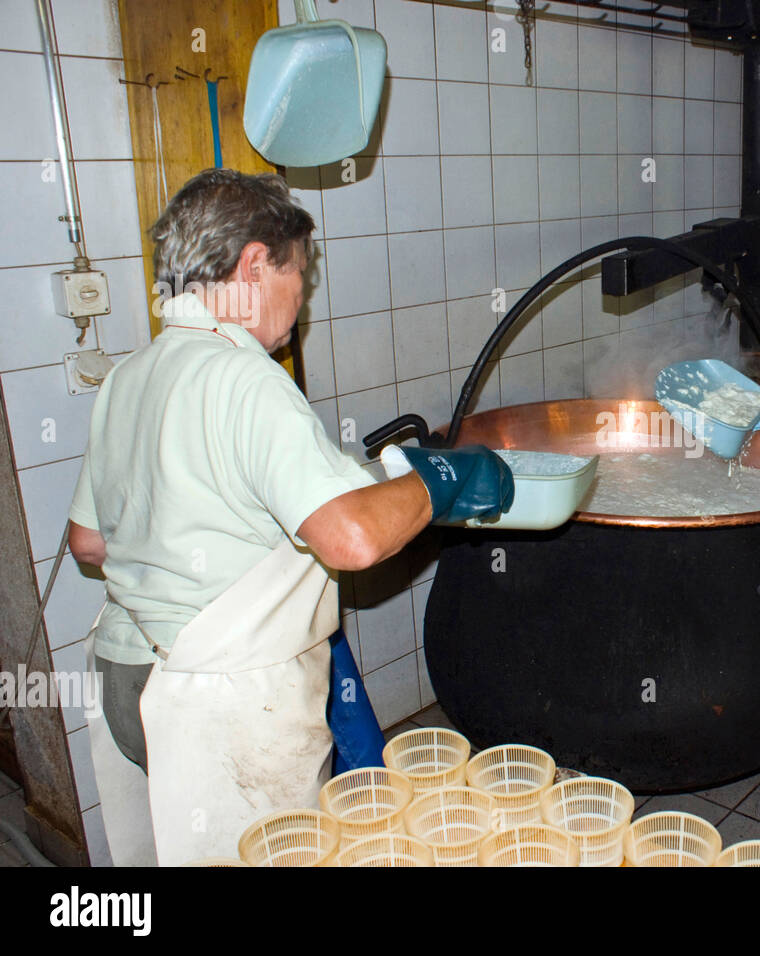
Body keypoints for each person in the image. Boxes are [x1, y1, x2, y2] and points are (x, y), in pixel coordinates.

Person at [67, 169, 511, 865]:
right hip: (221, 709)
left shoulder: (132, 374)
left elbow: (89, 541)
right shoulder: (245, 378)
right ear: (253, 264)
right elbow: (354, 537)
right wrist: (444, 477)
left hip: (131, 684)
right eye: (297, 273)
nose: (300, 297)